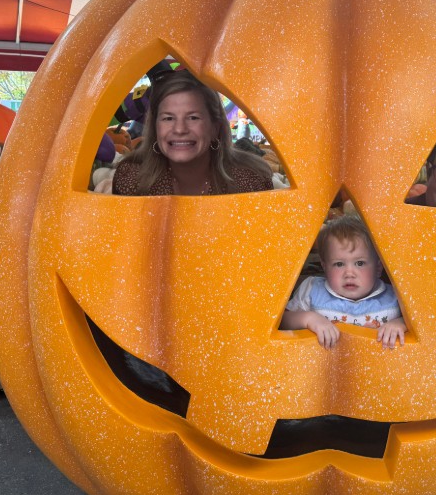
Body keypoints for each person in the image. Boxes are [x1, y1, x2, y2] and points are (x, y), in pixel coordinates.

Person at [112, 68, 272, 195]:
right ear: (155, 127)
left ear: (215, 127)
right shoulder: (130, 180)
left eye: (193, 118)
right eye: (168, 118)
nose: (180, 129)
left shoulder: (251, 182)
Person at [281, 216, 405, 349]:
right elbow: (282, 321)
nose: (349, 273)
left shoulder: (395, 296)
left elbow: (422, 323)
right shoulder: (313, 290)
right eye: (339, 264)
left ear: (378, 267)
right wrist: (308, 319)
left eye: (360, 263)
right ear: (325, 267)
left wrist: (400, 323)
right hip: (323, 366)